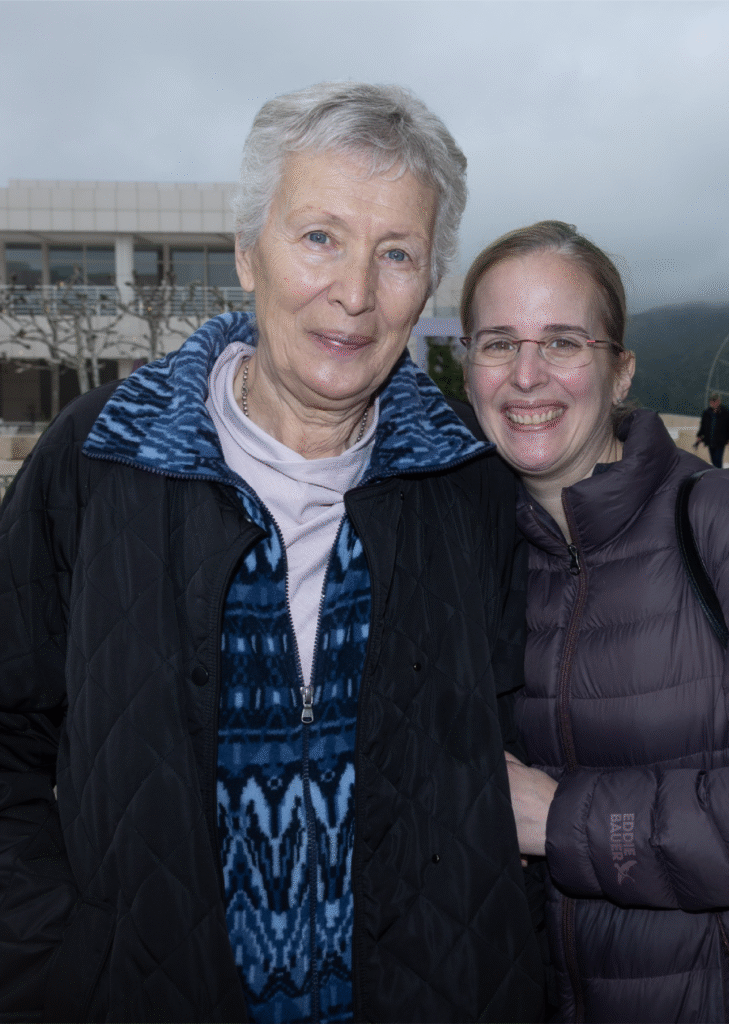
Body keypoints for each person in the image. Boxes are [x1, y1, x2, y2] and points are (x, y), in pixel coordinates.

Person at [0, 84, 546, 1024]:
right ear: (249, 253)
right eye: (320, 237)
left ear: (428, 282)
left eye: (397, 254)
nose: (356, 293)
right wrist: (61, 960)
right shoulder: (100, 459)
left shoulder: (467, 484)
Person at [460, 219, 729, 1023]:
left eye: (562, 342)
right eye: (496, 343)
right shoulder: (472, 556)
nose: (526, 376)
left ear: (618, 372)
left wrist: (560, 820)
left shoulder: (727, 520)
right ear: (467, 367)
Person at [697, 391, 729, 467]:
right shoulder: (706, 413)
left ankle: (719, 475)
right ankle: (717, 474)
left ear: (719, 401)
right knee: (713, 461)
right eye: (712, 401)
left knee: (718, 460)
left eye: (715, 401)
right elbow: (703, 426)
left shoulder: (725, 412)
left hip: (720, 441)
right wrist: (700, 435)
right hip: (710, 440)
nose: (713, 403)